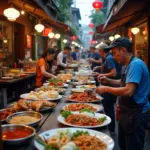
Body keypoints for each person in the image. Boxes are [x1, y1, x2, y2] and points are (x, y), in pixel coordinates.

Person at [96, 37, 150, 150]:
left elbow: (128, 91)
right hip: (128, 112)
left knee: (133, 146)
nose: (114, 57)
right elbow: (122, 82)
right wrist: (108, 81)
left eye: (115, 53)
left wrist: (106, 88)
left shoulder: (135, 64)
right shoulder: (127, 64)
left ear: (123, 50)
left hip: (136, 114)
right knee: (124, 144)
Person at [94, 43, 118, 133]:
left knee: (109, 107)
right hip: (107, 85)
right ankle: (109, 126)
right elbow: (107, 68)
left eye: (98, 50)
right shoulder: (107, 58)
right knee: (107, 107)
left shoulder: (109, 58)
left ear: (101, 51)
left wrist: (101, 74)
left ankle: (111, 128)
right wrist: (99, 67)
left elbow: (114, 73)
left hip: (110, 86)